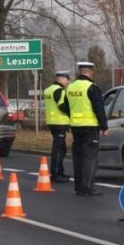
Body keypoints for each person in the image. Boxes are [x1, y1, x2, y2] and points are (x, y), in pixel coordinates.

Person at [61, 61, 109, 196]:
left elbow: (65, 107)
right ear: (91, 72)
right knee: (90, 158)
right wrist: (104, 126)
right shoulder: (92, 87)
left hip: (76, 127)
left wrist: (73, 117)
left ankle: (78, 187)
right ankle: (87, 187)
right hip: (90, 127)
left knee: (78, 157)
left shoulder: (70, 88)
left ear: (79, 72)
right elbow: (99, 108)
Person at [43, 70, 71, 183]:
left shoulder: (48, 90)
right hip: (60, 122)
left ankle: (59, 171)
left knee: (61, 148)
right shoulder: (59, 91)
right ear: (61, 79)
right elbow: (62, 106)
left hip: (51, 121)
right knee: (59, 149)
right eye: (66, 79)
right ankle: (56, 173)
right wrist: (71, 112)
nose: (67, 82)